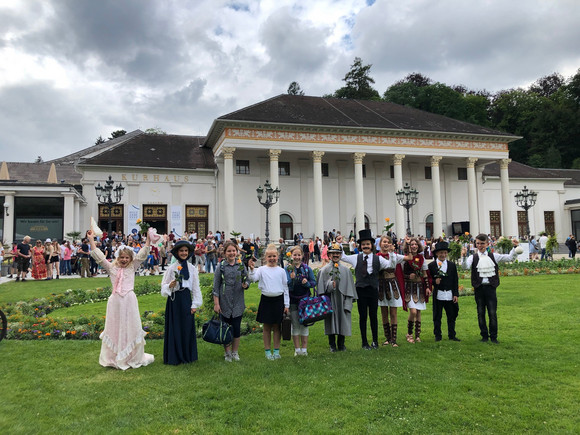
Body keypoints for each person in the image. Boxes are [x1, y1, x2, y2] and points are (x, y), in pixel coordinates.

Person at [87, 229, 154, 370]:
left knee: (131, 325)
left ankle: (131, 356)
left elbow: (142, 255)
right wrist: (91, 240)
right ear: (118, 257)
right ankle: (114, 356)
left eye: (127, 258)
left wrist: (148, 239)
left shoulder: (132, 267)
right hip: (115, 301)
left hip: (129, 300)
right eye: (122, 257)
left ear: (130, 259)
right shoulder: (111, 268)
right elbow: (99, 257)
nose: (124, 260)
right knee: (115, 326)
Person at [338, 229, 394, 350]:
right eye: (363, 244)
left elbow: (390, 264)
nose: (365, 246)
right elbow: (343, 257)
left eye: (368, 244)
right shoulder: (356, 258)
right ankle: (364, 342)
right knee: (362, 316)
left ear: (372, 245)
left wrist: (392, 253)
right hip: (361, 290)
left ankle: (375, 341)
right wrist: (340, 243)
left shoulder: (378, 259)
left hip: (373, 290)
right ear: (360, 246)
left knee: (373, 316)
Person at [461, 233, 519, 343]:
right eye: (478, 243)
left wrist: (515, 247)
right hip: (479, 288)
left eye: (482, 243)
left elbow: (510, 257)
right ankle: (484, 336)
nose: (480, 246)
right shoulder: (472, 257)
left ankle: (493, 337)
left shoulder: (494, 256)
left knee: (492, 313)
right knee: (480, 312)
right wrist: (463, 256)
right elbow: (465, 267)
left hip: (491, 288)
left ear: (487, 244)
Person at [161, 240, 203, 365]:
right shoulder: (171, 268)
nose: (183, 253)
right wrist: (170, 285)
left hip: (186, 299)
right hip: (174, 300)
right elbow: (163, 286)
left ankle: (187, 355)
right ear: (177, 252)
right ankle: (174, 356)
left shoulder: (192, 269)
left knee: (186, 327)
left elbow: (196, 287)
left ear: (189, 252)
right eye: (181, 251)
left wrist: (195, 304)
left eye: (186, 251)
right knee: (175, 327)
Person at [248, 244, 289, 360]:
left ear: (278, 257)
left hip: (278, 300)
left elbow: (285, 287)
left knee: (277, 327)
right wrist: (251, 270)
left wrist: (287, 304)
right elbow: (253, 279)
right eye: (269, 256)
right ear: (265, 258)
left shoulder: (281, 271)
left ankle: (276, 351)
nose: (272, 259)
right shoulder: (261, 269)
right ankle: (267, 351)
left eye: (274, 256)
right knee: (267, 327)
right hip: (266, 300)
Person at [316, 242, 357, 352]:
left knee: (343, 320)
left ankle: (341, 343)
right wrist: (329, 285)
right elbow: (320, 290)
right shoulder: (323, 271)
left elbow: (350, 289)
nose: (335, 255)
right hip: (330, 301)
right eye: (333, 253)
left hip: (342, 300)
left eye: (337, 253)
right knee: (331, 321)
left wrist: (348, 301)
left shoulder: (346, 271)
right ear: (329, 255)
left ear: (340, 255)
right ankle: (332, 344)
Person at [213, 241, 249, 362]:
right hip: (225, 302)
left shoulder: (240, 265)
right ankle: (227, 352)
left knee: (236, 329)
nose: (232, 253)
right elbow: (216, 286)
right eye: (229, 251)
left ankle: (235, 352)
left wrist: (246, 284)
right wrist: (216, 303)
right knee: (226, 328)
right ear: (224, 253)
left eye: (233, 251)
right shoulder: (221, 266)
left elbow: (247, 279)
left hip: (238, 302)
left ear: (237, 252)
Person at [376, 234, 408, 347]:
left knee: (393, 313)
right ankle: (387, 338)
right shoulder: (376, 257)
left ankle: (394, 339)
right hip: (381, 286)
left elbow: (409, 258)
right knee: (384, 313)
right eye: (384, 242)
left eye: (388, 242)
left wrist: (407, 244)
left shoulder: (394, 256)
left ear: (390, 244)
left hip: (392, 285)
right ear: (380, 244)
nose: (385, 244)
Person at [285, 245, 316, 356]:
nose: (297, 257)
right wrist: (291, 280)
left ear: (302, 256)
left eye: (299, 255)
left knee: (304, 324)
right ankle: (297, 349)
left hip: (305, 301)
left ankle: (304, 349)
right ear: (291, 256)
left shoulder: (307, 269)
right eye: (295, 255)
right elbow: (285, 285)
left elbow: (313, 282)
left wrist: (307, 283)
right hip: (293, 300)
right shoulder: (287, 269)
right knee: (295, 324)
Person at [428, 241, 460, 342]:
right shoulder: (432, 265)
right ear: (437, 253)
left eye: (445, 253)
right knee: (437, 315)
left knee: (451, 315)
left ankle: (452, 334)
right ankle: (438, 335)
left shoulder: (451, 265)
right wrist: (434, 281)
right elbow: (429, 279)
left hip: (449, 293)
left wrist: (455, 294)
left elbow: (455, 280)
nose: (443, 255)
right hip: (439, 293)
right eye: (441, 253)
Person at [403, 237, 431, 343]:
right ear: (409, 247)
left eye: (415, 244)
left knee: (418, 312)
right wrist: (408, 276)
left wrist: (427, 287)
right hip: (409, 288)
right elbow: (401, 274)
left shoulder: (421, 258)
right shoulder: (405, 259)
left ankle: (417, 335)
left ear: (418, 246)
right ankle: (409, 334)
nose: (414, 246)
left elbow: (424, 274)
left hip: (419, 287)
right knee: (413, 311)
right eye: (412, 244)